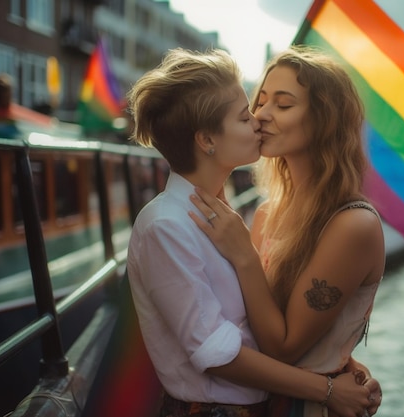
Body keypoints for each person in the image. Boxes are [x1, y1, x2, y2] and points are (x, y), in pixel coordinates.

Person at [126, 47, 376, 417]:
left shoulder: (223, 220)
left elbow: (257, 324)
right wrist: (326, 385)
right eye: (250, 111)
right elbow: (222, 348)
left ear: (323, 119)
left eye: (283, 105)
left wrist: (338, 357)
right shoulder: (174, 224)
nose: (260, 118)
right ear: (207, 140)